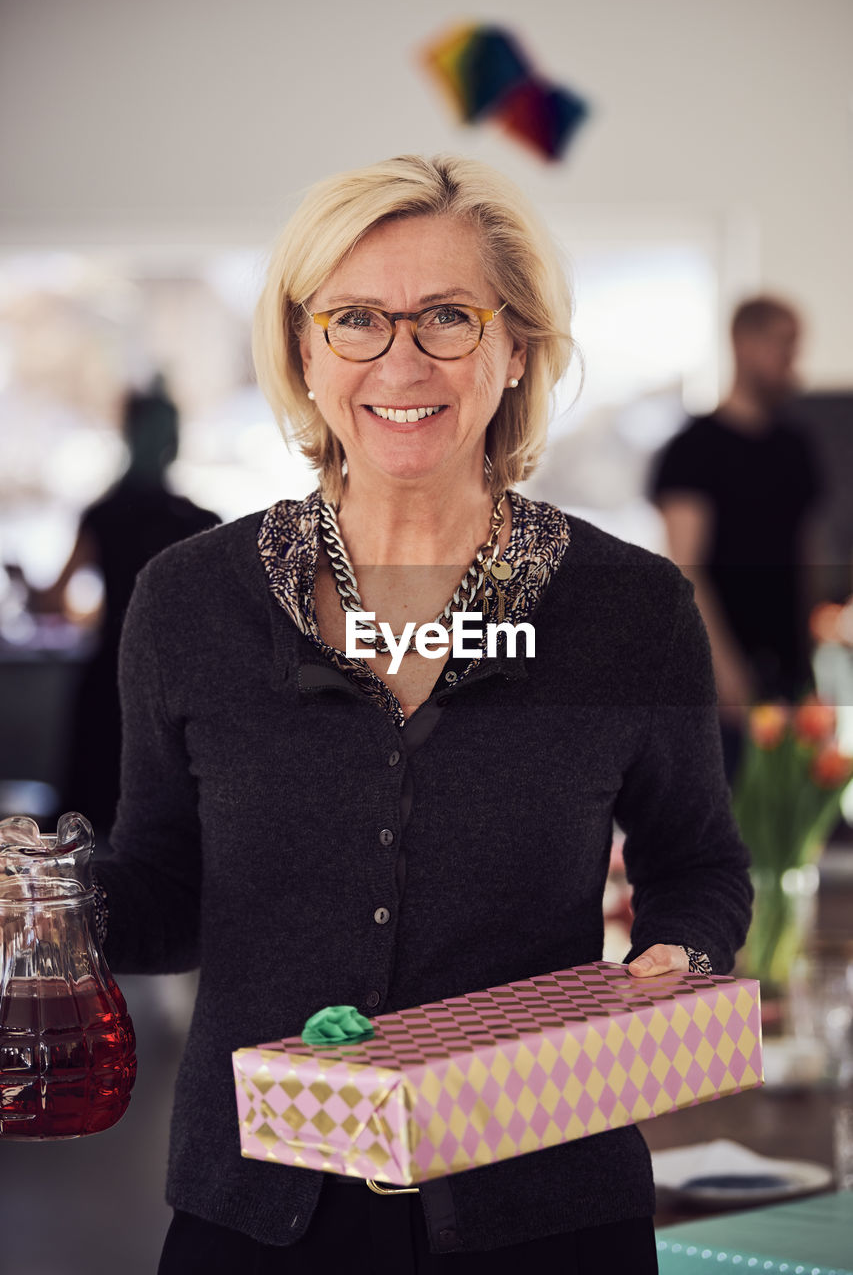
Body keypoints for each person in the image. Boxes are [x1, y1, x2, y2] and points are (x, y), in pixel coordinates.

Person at [91, 155, 752, 1273]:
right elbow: (165, 895)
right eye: (355, 318)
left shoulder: (627, 608)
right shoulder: (191, 600)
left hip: (544, 1207)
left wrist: (676, 953)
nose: (401, 358)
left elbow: (698, 860)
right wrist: (47, 901)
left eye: (448, 315)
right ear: (303, 347)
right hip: (256, 1208)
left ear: (514, 348)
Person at [34, 381, 220, 832]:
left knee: (90, 837)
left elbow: (54, 603)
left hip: (108, 678)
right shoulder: (201, 523)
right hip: (175, 683)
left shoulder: (102, 515)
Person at [650, 297, 822, 776]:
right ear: (744, 344)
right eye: (783, 347)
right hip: (722, 684)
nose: (792, 363)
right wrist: (727, 679)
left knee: (791, 830)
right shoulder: (693, 451)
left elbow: (803, 556)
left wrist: (810, 665)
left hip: (789, 675)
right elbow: (685, 568)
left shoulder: (796, 449)